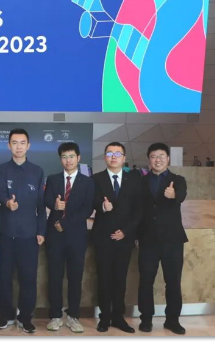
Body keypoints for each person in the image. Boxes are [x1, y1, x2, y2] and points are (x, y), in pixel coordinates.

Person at [0, 129, 46, 334]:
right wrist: (7, 203)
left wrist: (41, 230)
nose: (18, 146)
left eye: (22, 142)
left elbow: (41, 206)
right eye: (14, 143)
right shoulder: (1, 169)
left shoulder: (37, 171)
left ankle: (26, 318)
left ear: (28, 146)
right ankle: (5, 316)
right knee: (4, 278)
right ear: (9, 145)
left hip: (29, 235)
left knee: (28, 279)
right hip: (6, 235)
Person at [138, 143, 188, 335]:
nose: (157, 160)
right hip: (147, 240)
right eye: (153, 156)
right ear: (149, 160)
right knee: (145, 281)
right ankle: (146, 319)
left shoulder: (178, 180)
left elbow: (181, 195)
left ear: (167, 159)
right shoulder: (141, 181)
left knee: (173, 282)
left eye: (161, 156)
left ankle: (172, 320)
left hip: (172, 241)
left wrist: (174, 195)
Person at [92, 142, 143, 334]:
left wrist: (126, 231)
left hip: (124, 238)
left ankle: (118, 317)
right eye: (109, 153)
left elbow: (139, 209)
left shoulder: (134, 179)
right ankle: (104, 317)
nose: (113, 157)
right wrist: (102, 207)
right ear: (105, 157)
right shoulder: (96, 179)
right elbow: (91, 201)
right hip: (103, 237)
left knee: (120, 278)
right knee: (104, 278)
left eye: (117, 154)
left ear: (124, 158)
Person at [45, 142, 94, 334]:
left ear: (78, 158)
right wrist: (55, 205)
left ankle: (73, 316)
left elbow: (87, 209)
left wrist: (65, 223)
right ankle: (55, 315)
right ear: (60, 159)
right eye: (64, 157)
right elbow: (46, 199)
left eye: (72, 156)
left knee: (75, 277)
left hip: (76, 236)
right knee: (54, 276)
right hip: (54, 236)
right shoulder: (53, 179)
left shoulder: (87, 182)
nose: (68, 160)